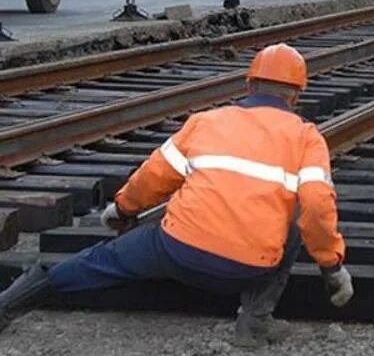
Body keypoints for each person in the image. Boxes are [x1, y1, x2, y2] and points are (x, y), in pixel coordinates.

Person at [0, 44, 352, 347]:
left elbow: (154, 178)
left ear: (248, 84)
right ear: (296, 95)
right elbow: (318, 208)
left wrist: (122, 209)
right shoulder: (307, 137)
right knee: (294, 219)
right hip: (251, 266)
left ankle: (10, 303)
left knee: (97, 260)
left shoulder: (206, 121)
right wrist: (331, 267)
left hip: (176, 250)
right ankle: (254, 324)